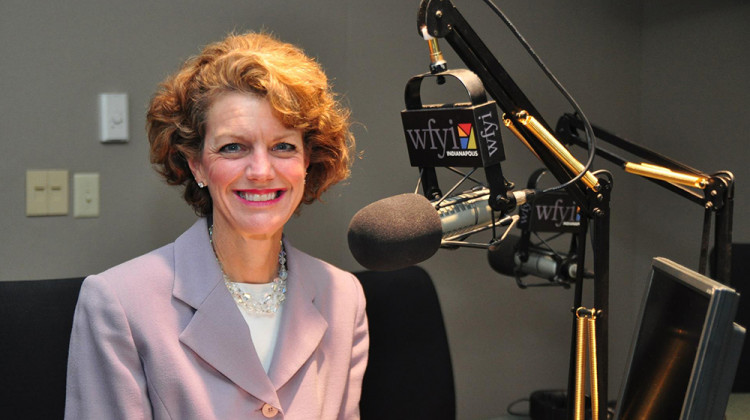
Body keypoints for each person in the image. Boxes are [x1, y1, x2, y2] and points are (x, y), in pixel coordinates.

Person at [65, 32, 368, 419]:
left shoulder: (344, 298)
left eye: (283, 146)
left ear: (308, 162)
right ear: (196, 164)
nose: (261, 171)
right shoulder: (118, 303)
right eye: (233, 147)